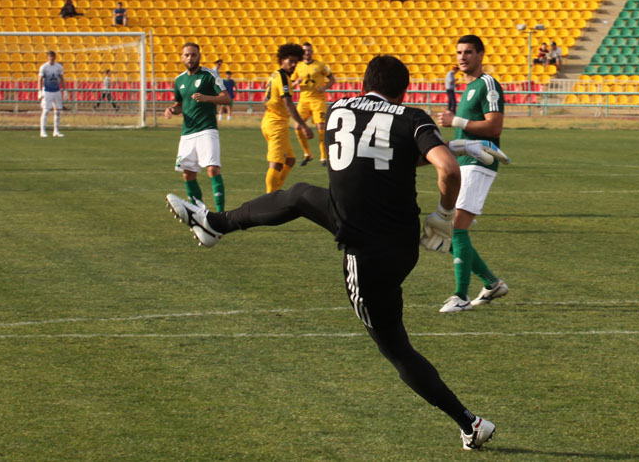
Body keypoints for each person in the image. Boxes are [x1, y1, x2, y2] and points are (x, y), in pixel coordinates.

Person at [164, 54, 496, 451]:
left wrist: (452, 151)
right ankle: (215, 224)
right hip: (400, 240)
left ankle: (469, 422)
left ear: (362, 84)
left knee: (395, 347)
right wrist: (443, 209)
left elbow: (380, 153)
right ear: (402, 91)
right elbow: (443, 167)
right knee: (302, 195)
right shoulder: (411, 116)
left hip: (365, 247)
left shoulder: (339, 108)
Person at [436, 34, 508, 313]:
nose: (462, 57)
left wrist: (456, 121)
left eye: (468, 52)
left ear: (480, 55)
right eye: (459, 52)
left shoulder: (487, 84)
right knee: (444, 231)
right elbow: (466, 133)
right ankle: (492, 283)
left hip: (481, 162)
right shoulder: (466, 88)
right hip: (464, 163)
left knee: (455, 228)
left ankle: (460, 296)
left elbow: (494, 127)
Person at [164, 42, 231, 211]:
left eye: (193, 55)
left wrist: (207, 98)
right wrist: (173, 109)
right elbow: (180, 104)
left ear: (199, 56)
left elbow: (226, 98)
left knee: (213, 169)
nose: (190, 58)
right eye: (187, 55)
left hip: (207, 129)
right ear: (181, 57)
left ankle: (221, 214)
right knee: (188, 174)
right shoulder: (179, 80)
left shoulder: (209, 75)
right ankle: (198, 211)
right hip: (187, 133)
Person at [261, 43, 313, 192]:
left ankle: (276, 190)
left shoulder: (275, 74)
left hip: (270, 121)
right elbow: (289, 105)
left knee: (289, 160)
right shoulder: (283, 78)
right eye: (290, 61)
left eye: (296, 62)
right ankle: (270, 198)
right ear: (282, 60)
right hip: (276, 125)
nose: (293, 65)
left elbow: (266, 99)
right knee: (276, 163)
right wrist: (304, 126)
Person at [291, 42, 335, 166]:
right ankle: (307, 154)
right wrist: (297, 82)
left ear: (312, 52)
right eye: (305, 50)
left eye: (309, 50)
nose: (307, 52)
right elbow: (292, 85)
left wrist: (324, 88)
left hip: (318, 100)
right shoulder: (298, 66)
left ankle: (323, 157)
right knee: (297, 127)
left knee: (321, 128)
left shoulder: (320, 65)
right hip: (303, 101)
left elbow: (332, 79)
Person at [38, 51, 66, 138]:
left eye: (53, 56)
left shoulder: (59, 67)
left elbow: (62, 78)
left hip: (57, 91)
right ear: (47, 57)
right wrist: (39, 91)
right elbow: (39, 79)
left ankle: (56, 131)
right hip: (47, 91)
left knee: (57, 111)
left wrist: (65, 90)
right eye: (50, 56)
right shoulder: (44, 67)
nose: (51, 58)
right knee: (46, 111)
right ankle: (42, 131)